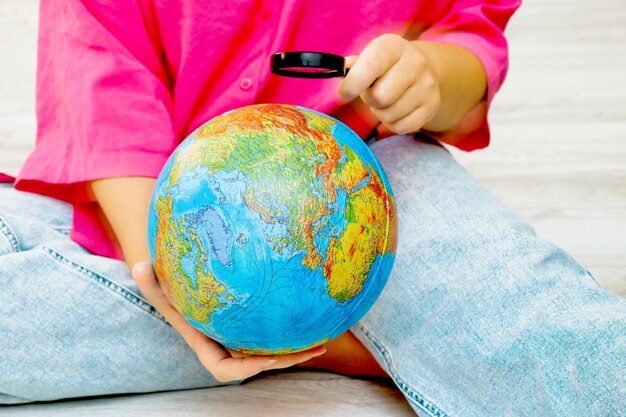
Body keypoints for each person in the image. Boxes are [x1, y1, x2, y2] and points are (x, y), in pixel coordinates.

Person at [0, 0, 624, 415]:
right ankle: (368, 337)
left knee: (549, 333)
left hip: (368, 181)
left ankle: (354, 332)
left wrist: (431, 74)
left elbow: (468, 32)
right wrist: (174, 282)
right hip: (152, 196)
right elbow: (103, 79)